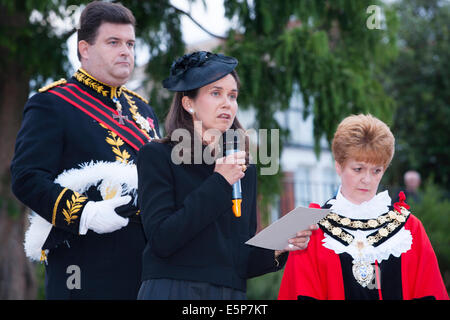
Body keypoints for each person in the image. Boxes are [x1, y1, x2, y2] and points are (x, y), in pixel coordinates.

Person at [136, 51, 316, 299]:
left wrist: (279, 245)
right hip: (174, 289)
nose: (227, 103)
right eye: (215, 93)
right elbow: (162, 239)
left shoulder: (244, 169)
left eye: (233, 96)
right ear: (189, 103)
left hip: (229, 295)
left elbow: (239, 261)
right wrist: (220, 182)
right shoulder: (157, 155)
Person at [10, 1, 159, 299]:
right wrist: (85, 214)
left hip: (145, 269)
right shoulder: (53, 104)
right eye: (113, 42)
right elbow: (26, 178)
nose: (125, 51)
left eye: (130, 43)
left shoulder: (142, 109)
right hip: (84, 266)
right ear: (85, 49)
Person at [278, 114, 448, 300]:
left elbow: (430, 292)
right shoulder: (312, 229)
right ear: (338, 166)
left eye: (376, 170)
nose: (367, 180)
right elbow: (299, 293)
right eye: (358, 169)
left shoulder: (409, 228)